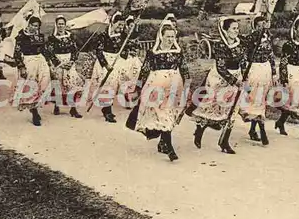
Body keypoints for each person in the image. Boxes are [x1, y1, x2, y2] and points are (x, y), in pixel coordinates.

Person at [126, 19, 190, 162]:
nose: (170, 39)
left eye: (172, 36)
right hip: (156, 85)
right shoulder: (153, 52)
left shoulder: (178, 52)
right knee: (162, 114)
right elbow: (144, 71)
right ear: (161, 36)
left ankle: (163, 143)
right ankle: (169, 147)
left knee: (170, 113)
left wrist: (187, 84)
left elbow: (184, 68)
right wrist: (137, 88)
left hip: (175, 84)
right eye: (167, 36)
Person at [187, 17, 247, 154]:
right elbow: (220, 67)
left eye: (237, 28)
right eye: (233, 28)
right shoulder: (220, 45)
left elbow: (243, 61)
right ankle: (200, 130)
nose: (236, 31)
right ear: (225, 31)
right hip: (219, 79)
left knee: (232, 109)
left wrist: (243, 76)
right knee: (213, 107)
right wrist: (234, 80)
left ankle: (224, 141)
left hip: (236, 77)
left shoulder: (240, 44)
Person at [13, 13, 65, 126]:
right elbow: (16, 53)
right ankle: (34, 112)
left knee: (44, 83)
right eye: (33, 25)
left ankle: (36, 107)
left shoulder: (40, 36)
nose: (35, 28)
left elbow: (45, 50)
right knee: (31, 86)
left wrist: (55, 62)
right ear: (29, 25)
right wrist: (21, 67)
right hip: (28, 61)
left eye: (37, 26)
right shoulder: (21, 36)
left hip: (40, 61)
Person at [238, 14, 277, 146]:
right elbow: (243, 55)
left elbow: (271, 55)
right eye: (258, 26)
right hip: (253, 69)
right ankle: (261, 129)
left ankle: (254, 129)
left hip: (265, 69)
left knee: (261, 100)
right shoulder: (251, 39)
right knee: (254, 99)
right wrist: (244, 72)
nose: (261, 28)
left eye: (263, 25)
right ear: (254, 27)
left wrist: (274, 72)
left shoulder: (268, 37)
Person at [90, 11, 132, 123]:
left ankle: (107, 107)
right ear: (113, 23)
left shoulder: (123, 36)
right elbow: (98, 51)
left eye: (122, 25)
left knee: (118, 85)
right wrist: (106, 65)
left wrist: (125, 49)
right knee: (108, 85)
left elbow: (126, 48)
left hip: (118, 61)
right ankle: (107, 110)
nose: (120, 27)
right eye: (119, 25)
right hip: (107, 61)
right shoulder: (103, 36)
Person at [47, 15, 84, 117]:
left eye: (62, 24)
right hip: (58, 64)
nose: (61, 26)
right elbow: (49, 52)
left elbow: (75, 51)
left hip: (69, 64)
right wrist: (59, 64)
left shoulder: (70, 37)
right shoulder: (52, 38)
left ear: (65, 25)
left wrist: (71, 61)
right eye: (59, 24)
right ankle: (57, 106)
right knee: (59, 85)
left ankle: (73, 109)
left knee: (72, 84)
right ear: (56, 25)